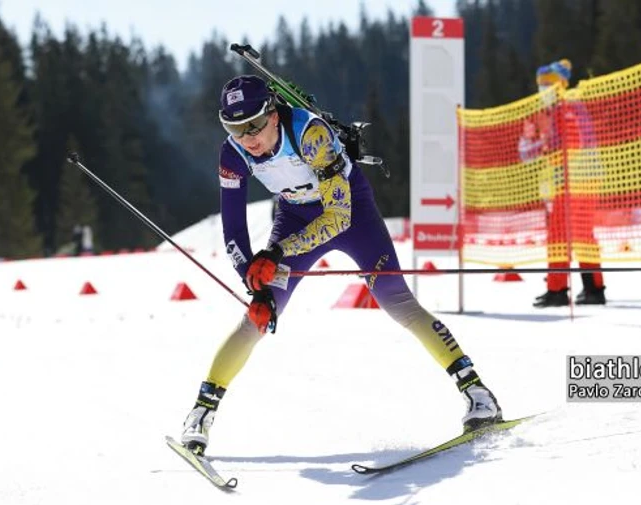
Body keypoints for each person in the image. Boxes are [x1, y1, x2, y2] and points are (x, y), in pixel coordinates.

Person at [179, 75, 502, 455]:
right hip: (295, 216)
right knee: (258, 315)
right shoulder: (233, 153)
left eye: (253, 125)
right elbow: (232, 228)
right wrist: (254, 281)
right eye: (234, 127)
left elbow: (338, 217)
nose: (247, 137)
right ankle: (201, 412)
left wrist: (277, 255)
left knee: (396, 300)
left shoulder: (310, 134)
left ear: (273, 114)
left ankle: (477, 392)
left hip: (352, 212)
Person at [519, 59, 607, 308]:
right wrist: (536, 142)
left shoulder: (566, 108)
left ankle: (557, 291)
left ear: (562, 84)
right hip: (575, 181)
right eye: (541, 84)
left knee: (559, 236)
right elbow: (525, 153)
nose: (544, 88)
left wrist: (546, 147)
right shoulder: (544, 112)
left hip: (574, 182)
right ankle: (593, 288)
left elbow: (572, 143)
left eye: (549, 84)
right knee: (582, 235)